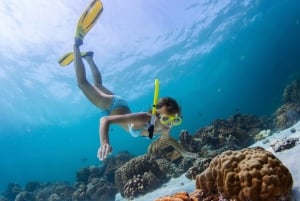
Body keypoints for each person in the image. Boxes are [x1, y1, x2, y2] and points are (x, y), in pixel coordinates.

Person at [73, 37, 197, 160]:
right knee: (82, 84)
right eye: (166, 119)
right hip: (113, 106)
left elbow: (168, 138)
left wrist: (184, 152)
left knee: (98, 86)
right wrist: (104, 142)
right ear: (156, 115)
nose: (170, 125)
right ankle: (76, 46)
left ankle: (89, 58)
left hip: (121, 106)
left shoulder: (163, 126)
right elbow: (105, 120)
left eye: (175, 120)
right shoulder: (145, 119)